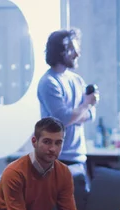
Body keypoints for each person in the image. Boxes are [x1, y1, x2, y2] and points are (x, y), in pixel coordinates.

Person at [37, 28, 98, 166]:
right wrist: (86, 104)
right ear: (60, 52)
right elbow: (63, 119)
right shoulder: (49, 82)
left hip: (78, 157)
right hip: (55, 159)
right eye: (72, 50)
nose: (77, 54)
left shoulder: (77, 80)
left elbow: (91, 115)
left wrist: (74, 116)